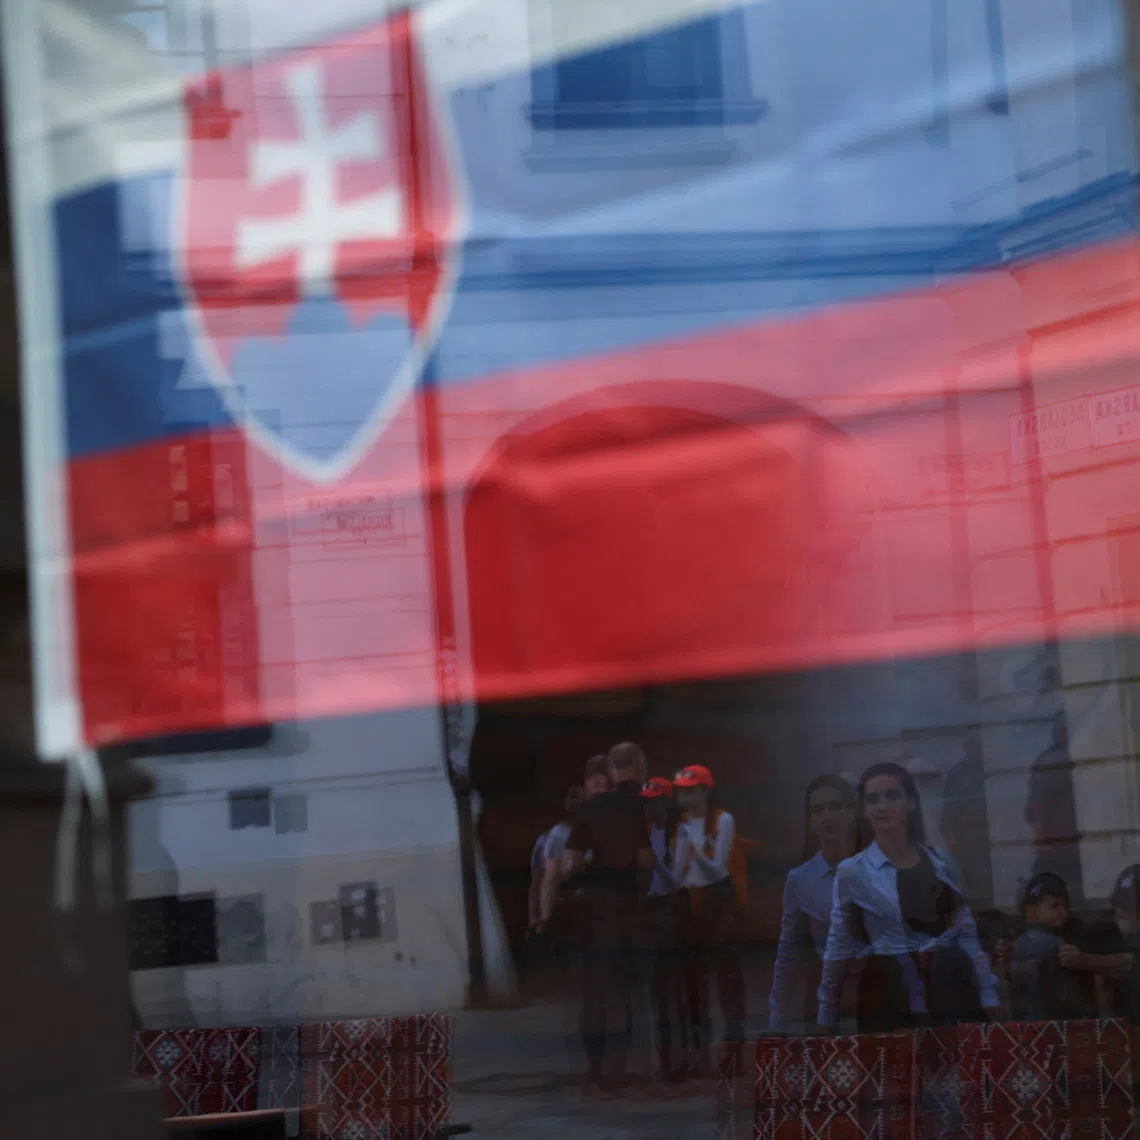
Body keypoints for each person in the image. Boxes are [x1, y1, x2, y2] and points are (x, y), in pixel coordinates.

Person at [818, 761, 1002, 1033]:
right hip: (887, 993)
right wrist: (826, 1014)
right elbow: (838, 943)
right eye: (873, 799)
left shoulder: (939, 861)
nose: (883, 806)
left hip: (946, 990)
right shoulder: (852, 872)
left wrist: (988, 992)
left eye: (892, 795)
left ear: (911, 802)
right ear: (864, 810)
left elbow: (965, 931)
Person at [563, 741, 654, 1093]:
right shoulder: (630, 810)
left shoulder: (586, 813)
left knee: (592, 992)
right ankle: (618, 1069)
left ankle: (595, 1068)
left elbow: (571, 863)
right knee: (620, 991)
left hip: (591, 912)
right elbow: (646, 860)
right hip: (623, 907)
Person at [768, 774, 860, 1032]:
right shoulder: (800, 880)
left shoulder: (872, 869)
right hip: (822, 998)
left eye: (835, 806)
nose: (827, 816)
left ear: (850, 813)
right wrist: (777, 1017)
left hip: (871, 991)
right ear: (810, 820)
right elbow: (788, 951)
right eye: (819, 810)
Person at [673, 764, 747, 1062]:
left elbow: (718, 870)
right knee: (692, 977)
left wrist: (695, 853)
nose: (685, 798)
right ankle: (700, 1045)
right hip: (690, 900)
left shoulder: (722, 819)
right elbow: (678, 871)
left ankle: (734, 1046)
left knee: (728, 977)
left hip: (717, 899)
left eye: (691, 791)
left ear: (706, 790)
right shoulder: (680, 824)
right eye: (681, 791)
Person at [1009, 871, 1133, 1022]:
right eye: (1054, 905)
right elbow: (1068, 995)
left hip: (1030, 1025)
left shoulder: (1020, 943)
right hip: (1059, 1025)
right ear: (1031, 911)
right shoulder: (1056, 944)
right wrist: (1086, 1012)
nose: (1063, 911)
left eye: (1065, 905)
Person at [640, 776, 689, 1084]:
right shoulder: (644, 833)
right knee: (655, 988)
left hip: (670, 911)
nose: (650, 807)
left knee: (673, 986)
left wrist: (653, 864)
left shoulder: (679, 832)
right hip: (648, 911)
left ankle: (679, 1057)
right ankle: (663, 1059)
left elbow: (677, 878)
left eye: (655, 801)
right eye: (646, 801)